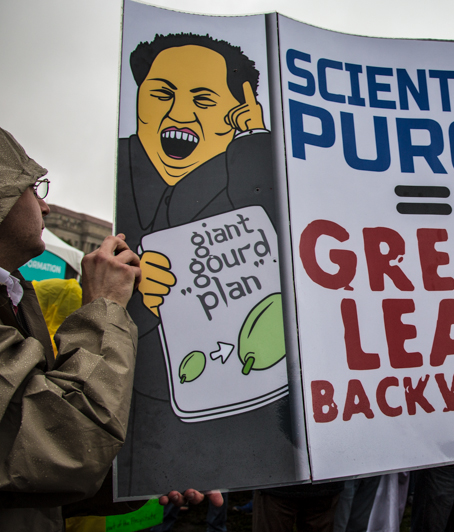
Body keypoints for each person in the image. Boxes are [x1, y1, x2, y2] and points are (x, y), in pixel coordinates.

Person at [115, 32, 296, 495]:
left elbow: (289, 250)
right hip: (147, 415)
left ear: (236, 111)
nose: (178, 113)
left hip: (248, 410)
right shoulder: (125, 172)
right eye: (161, 94)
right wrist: (134, 295)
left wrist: (256, 135)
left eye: (202, 98)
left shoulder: (252, 168)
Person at [0, 127, 141, 530]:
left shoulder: (13, 292)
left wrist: (146, 477)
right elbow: (66, 442)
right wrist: (105, 305)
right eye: (33, 188)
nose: (45, 208)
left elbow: (23, 471)